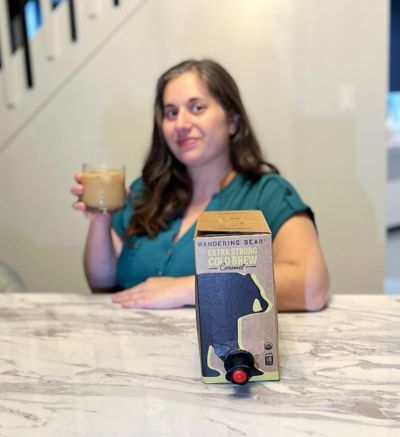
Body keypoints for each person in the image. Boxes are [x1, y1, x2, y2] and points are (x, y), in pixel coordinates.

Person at [71, 59, 329, 311]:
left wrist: (186, 288)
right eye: (171, 113)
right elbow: (101, 284)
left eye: (197, 108)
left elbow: (311, 286)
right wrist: (100, 222)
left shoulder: (267, 193)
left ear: (232, 121)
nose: (181, 124)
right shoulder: (143, 191)